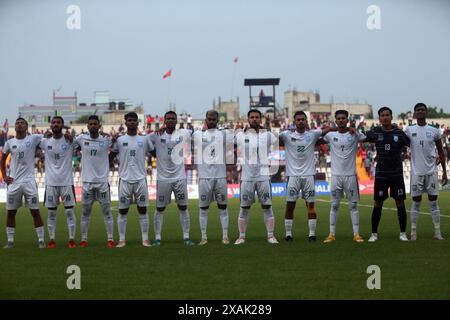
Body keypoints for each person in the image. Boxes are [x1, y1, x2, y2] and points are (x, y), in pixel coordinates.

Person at [279, 111, 337, 242]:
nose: (300, 121)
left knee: (310, 205)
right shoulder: (286, 135)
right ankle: (288, 234)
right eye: (298, 120)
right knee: (290, 205)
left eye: (302, 119)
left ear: (306, 121)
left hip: (309, 175)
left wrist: (339, 128)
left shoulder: (312, 134)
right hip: (292, 176)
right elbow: (271, 137)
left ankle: (312, 234)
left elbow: (326, 130)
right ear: (294, 122)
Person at [365, 107, 410, 242]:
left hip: (396, 175)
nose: (385, 117)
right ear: (379, 119)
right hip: (381, 175)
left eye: (387, 115)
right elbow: (360, 136)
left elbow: (413, 145)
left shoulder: (399, 133)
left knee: (400, 203)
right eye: (382, 115)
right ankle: (374, 234)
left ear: (391, 117)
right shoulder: (375, 132)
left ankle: (403, 233)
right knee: (377, 203)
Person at [234, 109, 278, 245]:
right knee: (244, 208)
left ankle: (271, 236)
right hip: (247, 177)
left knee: (267, 206)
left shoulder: (269, 135)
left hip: (263, 177)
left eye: (257, 117)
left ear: (261, 119)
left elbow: (281, 140)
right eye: (252, 117)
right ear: (248, 119)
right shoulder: (240, 135)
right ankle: (241, 236)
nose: (254, 119)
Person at [149, 111, 194, 246]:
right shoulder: (156, 135)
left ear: (176, 121)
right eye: (168, 119)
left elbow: (197, 132)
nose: (170, 121)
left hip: (179, 178)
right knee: (160, 208)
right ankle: (157, 238)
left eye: (172, 119)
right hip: (163, 179)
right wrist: (157, 154)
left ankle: (186, 237)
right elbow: (144, 142)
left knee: (183, 207)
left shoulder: (184, 133)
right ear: (164, 121)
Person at [110, 112, 154, 247]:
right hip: (124, 179)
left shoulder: (145, 139)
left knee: (143, 210)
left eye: (134, 120)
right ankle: (122, 240)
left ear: (137, 122)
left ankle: (145, 239)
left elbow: (155, 152)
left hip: (141, 179)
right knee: (123, 211)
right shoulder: (119, 140)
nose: (132, 122)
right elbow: (111, 155)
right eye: (129, 120)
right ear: (126, 122)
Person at [405, 103, 447, 241]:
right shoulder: (409, 130)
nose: (420, 112)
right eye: (418, 110)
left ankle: (437, 232)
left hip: (432, 172)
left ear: (426, 112)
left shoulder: (434, 130)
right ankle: (413, 232)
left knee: (433, 202)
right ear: (415, 113)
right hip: (417, 173)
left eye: (423, 110)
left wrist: (445, 173)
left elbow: (441, 151)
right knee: (416, 202)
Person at [1, 118, 45, 248]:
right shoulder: (9, 143)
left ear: (26, 127)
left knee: (35, 212)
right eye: (17, 123)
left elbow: (50, 136)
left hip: (29, 182)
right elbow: (2, 160)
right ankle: (10, 242)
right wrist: (4, 176)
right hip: (14, 182)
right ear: (15, 127)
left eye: (22, 123)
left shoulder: (34, 138)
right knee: (11, 212)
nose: (19, 125)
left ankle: (41, 241)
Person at [322, 110, 366, 243]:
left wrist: (352, 129)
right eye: (339, 118)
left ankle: (356, 234)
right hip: (336, 176)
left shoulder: (354, 134)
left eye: (343, 118)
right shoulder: (330, 135)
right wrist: (336, 128)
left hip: (351, 176)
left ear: (347, 120)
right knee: (334, 205)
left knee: (353, 206)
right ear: (335, 120)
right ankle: (331, 234)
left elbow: (364, 137)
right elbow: (320, 134)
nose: (341, 120)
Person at [73, 115, 115, 248]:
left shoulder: (106, 140)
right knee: (85, 213)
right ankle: (84, 239)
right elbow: (69, 143)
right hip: (86, 183)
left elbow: (117, 145)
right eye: (90, 124)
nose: (92, 126)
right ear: (87, 126)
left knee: (107, 212)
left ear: (99, 126)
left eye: (95, 124)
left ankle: (110, 239)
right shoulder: (81, 139)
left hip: (102, 182)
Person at [192, 110, 230, 245]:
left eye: (214, 119)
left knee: (223, 207)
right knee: (203, 208)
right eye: (210, 119)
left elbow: (243, 135)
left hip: (220, 177)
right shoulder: (197, 135)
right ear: (206, 120)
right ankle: (203, 237)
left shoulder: (224, 134)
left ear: (218, 120)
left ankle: (225, 236)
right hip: (204, 178)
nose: (212, 121)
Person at [40, 116, 76, 249]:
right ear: (50, 125)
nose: (56, 124)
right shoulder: (44, 141)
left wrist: (70, 134)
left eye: (58, 122)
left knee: (69, 212)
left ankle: (71, 239)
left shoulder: (70, 140)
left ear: (62, 125)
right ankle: (52, 239)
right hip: (50, 183)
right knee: (51, 213)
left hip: (66, 182)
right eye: (54, 122)